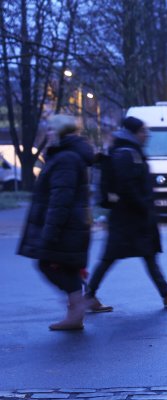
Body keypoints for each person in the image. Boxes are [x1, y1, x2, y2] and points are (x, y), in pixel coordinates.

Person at [84, 117, 167, 309]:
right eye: (143, 131)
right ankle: (89, 295)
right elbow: (127, 186)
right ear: (133, 133)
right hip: (129, 216)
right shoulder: (127, 153)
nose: (146, 135)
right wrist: (143, 206)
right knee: (112, 257)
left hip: (129, 215)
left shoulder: (128, 151)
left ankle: (166, 294)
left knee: (146, 254)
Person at [18, 115, 94, 330]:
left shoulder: (66, 159)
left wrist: (50, 232)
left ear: (61, 133)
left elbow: (60, 200)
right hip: (71, 225)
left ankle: (78, 307)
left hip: (65, 226)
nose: (48, 133)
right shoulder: (65, 156)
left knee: (46, 264)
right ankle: (76, 314)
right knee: (66, 267)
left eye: (51, 130)